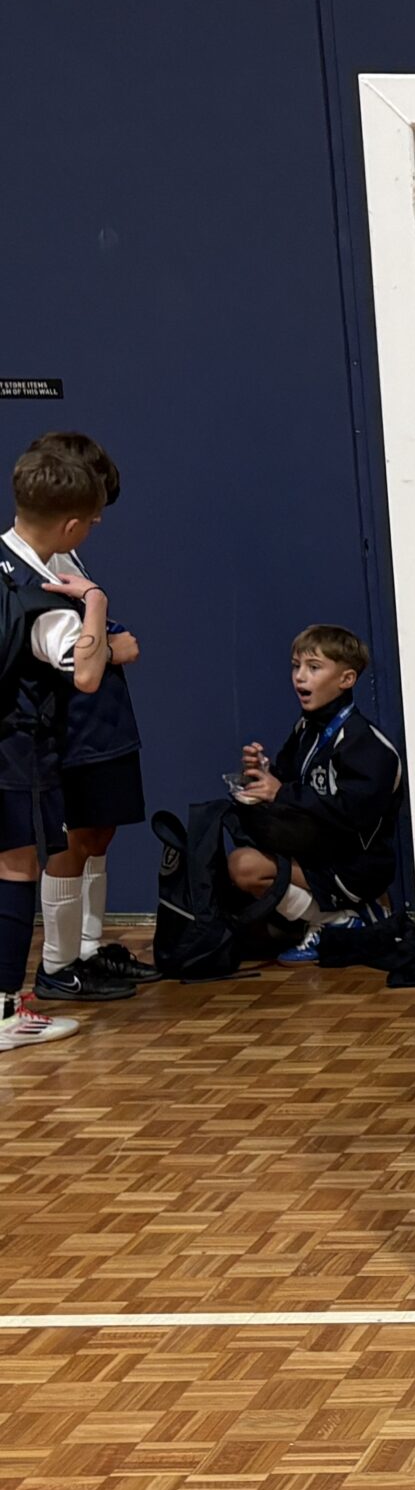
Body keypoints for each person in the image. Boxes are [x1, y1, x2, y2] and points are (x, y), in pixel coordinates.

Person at [25, 436, 153, 999]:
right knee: (71, 841)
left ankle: (89, 949)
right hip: (69, 725)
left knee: (98, 834)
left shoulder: (68, 554)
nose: (100, 517)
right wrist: (110, 643)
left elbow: (101, 644)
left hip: (103, 721)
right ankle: (57, 964)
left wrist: (110, 641)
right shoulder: (34, 565)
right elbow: (81, 660)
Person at [0, 440, 113, 1047]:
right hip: (14, 746)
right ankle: (6, 1011)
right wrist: (96, 602)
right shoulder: (48, 597)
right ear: (72, 525)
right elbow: (87, 675)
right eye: (92, 519)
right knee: (16, 869)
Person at [230, 626, 406, 952]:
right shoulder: (306, 727)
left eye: (314, 667)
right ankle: (339, 916)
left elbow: (353, 815)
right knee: (234, 856)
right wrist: (260, 774)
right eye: (296, 666)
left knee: (245, 866)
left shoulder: (366, 744)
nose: (300, 677)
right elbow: (288, 782)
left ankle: (340, 921)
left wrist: (281, 793)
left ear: (346, 679)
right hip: (316, 851)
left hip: (354, 866)